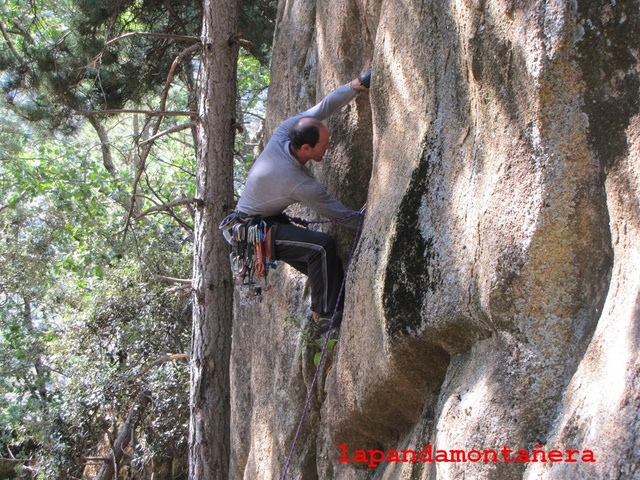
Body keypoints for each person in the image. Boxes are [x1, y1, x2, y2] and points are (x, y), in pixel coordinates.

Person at [236, 67, 371, 335]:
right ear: (306, 149)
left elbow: (322, 108)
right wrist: (375, 220)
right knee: (320, 248)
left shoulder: (287, 131)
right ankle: (323, 317)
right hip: (252, 231)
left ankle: (332, 304)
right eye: (325, 144)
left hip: (265, 221)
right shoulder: (297, 181)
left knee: (325, 261)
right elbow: (339, 216)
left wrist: (356, 85)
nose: (330, 147)